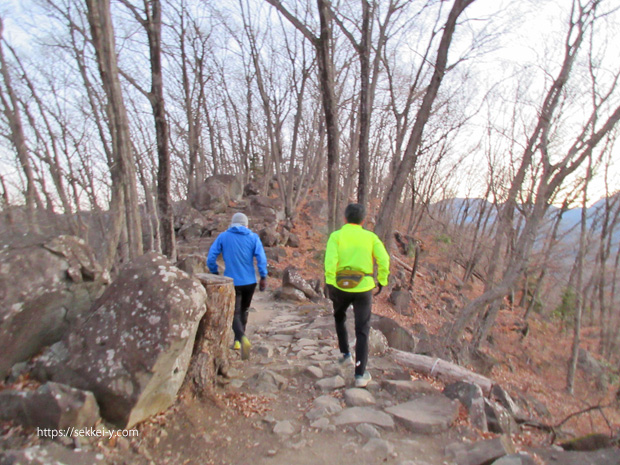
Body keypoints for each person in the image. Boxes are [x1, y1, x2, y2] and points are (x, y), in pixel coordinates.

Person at [324, 203, 390, 388]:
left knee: (339, 318)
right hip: (363, 287)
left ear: (345, 219)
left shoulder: (336, 236)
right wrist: (382, 280)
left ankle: (345, 355)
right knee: (363, 329)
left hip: (340, 285)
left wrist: (330, 282)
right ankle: (360, 374)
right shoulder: (370, 237)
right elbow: (384, 259)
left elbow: (330, 261)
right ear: (363, 220)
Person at [207, 212, 267, 360]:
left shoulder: (223, 237)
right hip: (249, 281)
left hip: (231, 281)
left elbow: (211, 257)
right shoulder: (253, 237)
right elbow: (261, 258)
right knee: (245, 310)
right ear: (246, 224)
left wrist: (214, 272)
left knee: (234, 312)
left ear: (232, 223)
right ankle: (238, 341)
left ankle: (240, 338)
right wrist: (263, 276)